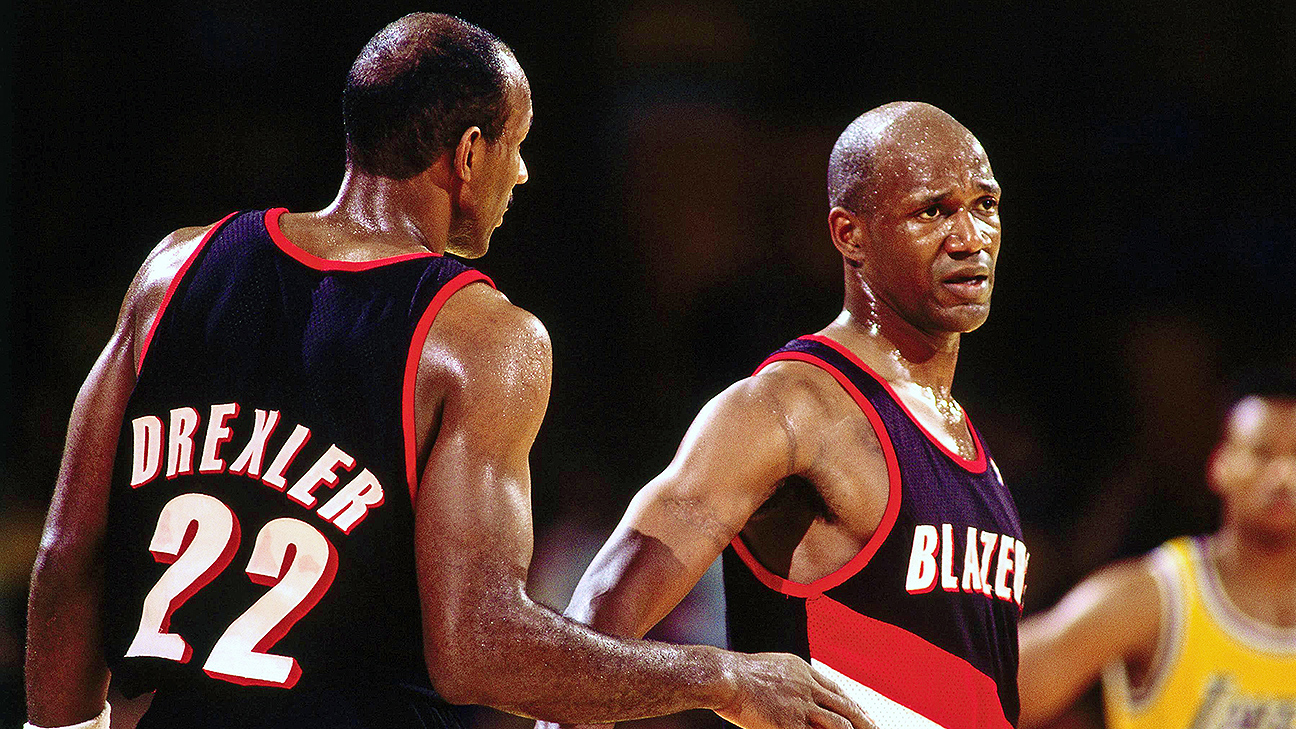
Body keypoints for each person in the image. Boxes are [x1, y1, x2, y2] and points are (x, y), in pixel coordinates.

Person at [24, 13, 874, 729]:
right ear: (468, 154)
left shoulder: (175, 268)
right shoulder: (477, 335)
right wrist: (717, 678)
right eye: (517, 145)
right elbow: (480, 652)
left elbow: (68, 555)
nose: (524, 172)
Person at [546, 101, 1026, 729]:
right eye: (932, 212)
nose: (970, 238)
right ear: (850, 234)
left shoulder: (964, 434)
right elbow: (592, 628)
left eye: (984, 205)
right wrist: (721, 683)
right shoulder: (788, 408)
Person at [1018, 374, 1296, 729]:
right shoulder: (1155, 597)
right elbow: (990, 687)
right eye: (1263, 453)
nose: (1284, 475)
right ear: (1220, 465)